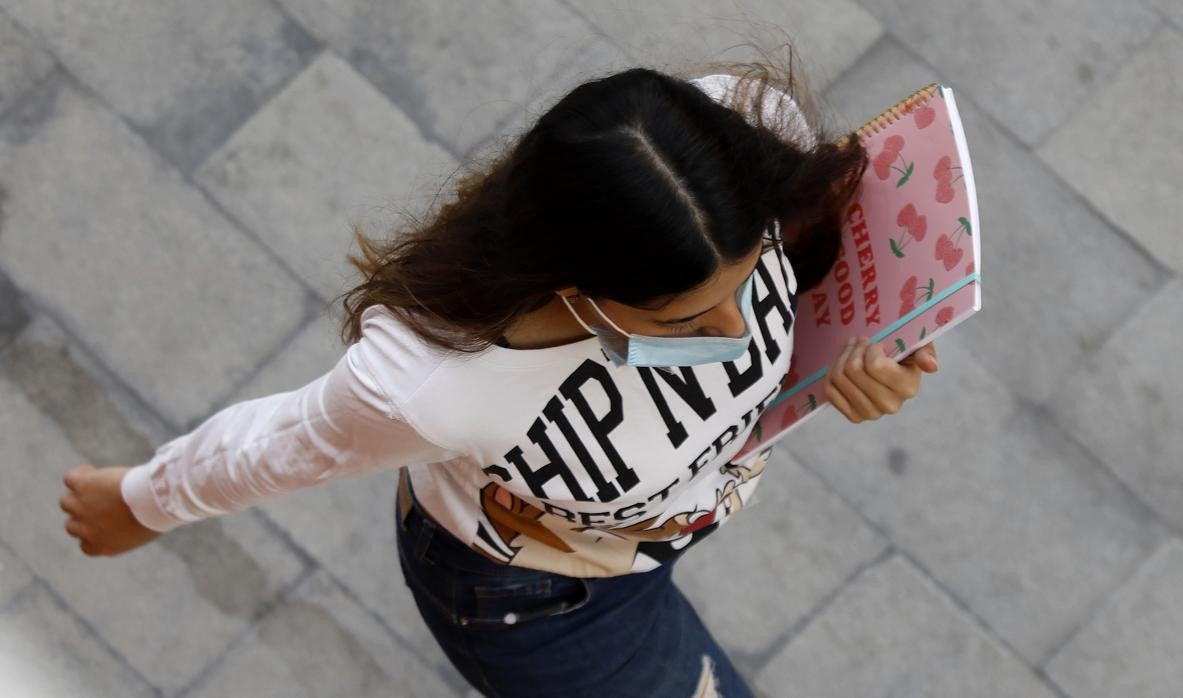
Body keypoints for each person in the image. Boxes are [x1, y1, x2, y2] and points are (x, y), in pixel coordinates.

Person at [57, 48, 938, 697]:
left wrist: (862, 375)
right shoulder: (435, 381)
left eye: (746, 283)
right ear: (575, 286)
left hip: (663, 522)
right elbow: (287, 443)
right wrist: (142, 501)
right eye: (684, 321)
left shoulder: (750, 142)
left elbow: (837, 293)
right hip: (548, 598)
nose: (737, 330)